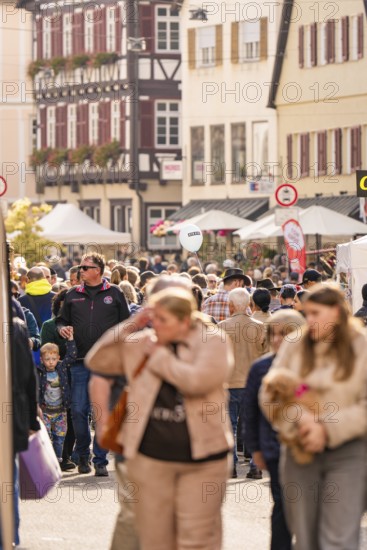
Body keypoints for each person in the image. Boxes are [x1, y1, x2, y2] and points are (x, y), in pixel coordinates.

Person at [85, 287, 234, 550]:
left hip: (203, 459)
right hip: (149, 458)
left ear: (185, 320)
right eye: (155, 319)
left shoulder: (213, 341)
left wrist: (160, 357)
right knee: (155, 541)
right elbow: (97, 360)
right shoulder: (143, 341)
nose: (157, 326)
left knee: (196, 540)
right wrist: (132, 323)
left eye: (164, 320)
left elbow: (197, 381)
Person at [260, 284, 367, 550]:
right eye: (307, 314)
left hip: (349, 451)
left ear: (337, 312)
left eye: (317, 313)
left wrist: (327, 428)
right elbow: (270, 391)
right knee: (306, 537)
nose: (310, 321)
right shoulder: (295, 344)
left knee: (339, 537)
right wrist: (301, 419)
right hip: (299, 448)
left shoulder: (361, 345)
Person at [56, 253, 130, 476]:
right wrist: (62, 328)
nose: (81, 270)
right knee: (78, 411)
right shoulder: (71, 294)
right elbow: (61, 319)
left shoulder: (114, 293)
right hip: (79, 362)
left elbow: (127, 324)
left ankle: (99, 460)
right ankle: (83, 455)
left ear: (98, 270)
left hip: (106, 364)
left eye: (85, 267)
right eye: (80, 267)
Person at [244, 309, 306, 550]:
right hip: (276, 450)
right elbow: (250, 412)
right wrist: (255, 450)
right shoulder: (261, 368)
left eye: (285, 333)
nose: (278, 339)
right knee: (283, 505)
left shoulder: (312, 366)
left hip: (312, 448)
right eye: (273, 334)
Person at [219, 288, 265, 478]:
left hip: (229, 383)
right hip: (252, 383)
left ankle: (231, 466)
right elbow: (266, 355)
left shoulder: (221, 327)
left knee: (229, 426)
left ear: (231, 306)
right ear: (248, 304)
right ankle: (255, 465)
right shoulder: (259, 326)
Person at [41, 288, 76, 471]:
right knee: (49, 421)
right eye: (62, 307)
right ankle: (51, 458)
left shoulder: (80, 325)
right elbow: (46, 350)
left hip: (75, 373)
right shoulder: (49, 325)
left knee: (71, 416)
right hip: (54, 377)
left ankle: (66, 456)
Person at [37, 335, 77, 464]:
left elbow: (72, 356)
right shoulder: (39, 371)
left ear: (58, 358)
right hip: (45, 411)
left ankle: (58, 459)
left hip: (60, 411)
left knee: (60, 437)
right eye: (47, 359)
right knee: (46, 437)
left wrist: (70, 340)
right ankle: (46, 461)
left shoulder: (62, 367)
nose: (50, 362)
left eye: (53, 359)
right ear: (41, 360)